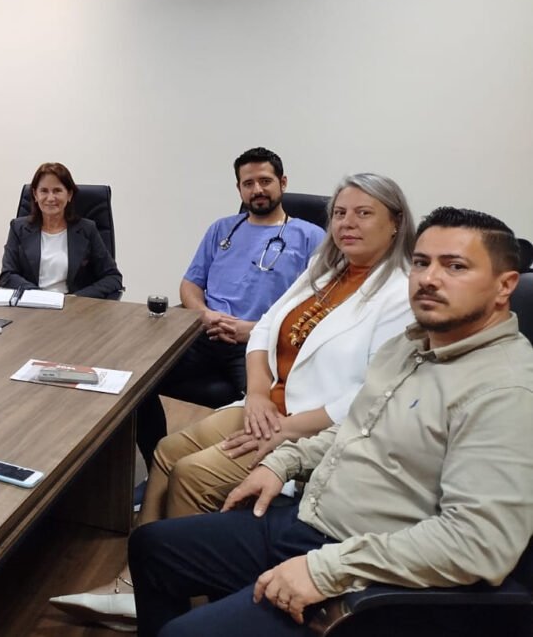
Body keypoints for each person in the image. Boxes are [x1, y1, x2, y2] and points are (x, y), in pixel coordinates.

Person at [125, 207, 533, 637]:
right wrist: (284, 462)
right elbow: (358, 425)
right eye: (421, 262)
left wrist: (326, 570)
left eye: (455, 266)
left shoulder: (505, 391)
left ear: (505, 285)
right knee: (154, 547)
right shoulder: (411, 345)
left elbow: (478, 544)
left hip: (373, 567)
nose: (429, 278)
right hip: (316, 519)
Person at [52, 173, 415, 629]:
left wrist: (288, 426)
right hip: (269, 405)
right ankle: (134, 585)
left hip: (311, 426)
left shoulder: (402, 293)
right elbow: (265, 326)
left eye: (364, 214)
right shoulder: (326, 269)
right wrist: (259, 394)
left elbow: (369, 395)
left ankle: (191, 601)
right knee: (166, 453)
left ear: (396, 223)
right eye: (340, 213)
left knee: (192, 473)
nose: (347, 224)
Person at [136, 147, 326, 469]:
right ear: (239, 189)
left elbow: (318, 308)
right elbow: (190, 285)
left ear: (283, 182)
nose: (258, 190)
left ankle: (224, 475)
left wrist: (252, 329)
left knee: (264, 412)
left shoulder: (311, 237)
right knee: (136, 388)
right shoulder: (222, 229)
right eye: (248, 183)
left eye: (265, 181)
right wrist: (203, 313)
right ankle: (159, 467)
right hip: (205, 335)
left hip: (259, 345)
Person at [0, 162, 124, 300]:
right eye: (44, 191)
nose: (50, 198)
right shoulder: (18, 228)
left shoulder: (87, 230)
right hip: (31, 305)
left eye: (57, 190)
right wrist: (40, 296)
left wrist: (76, 298)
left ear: (69, 194)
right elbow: (8, 275)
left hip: (74, 309)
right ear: (35, 195)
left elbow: (113, 277)